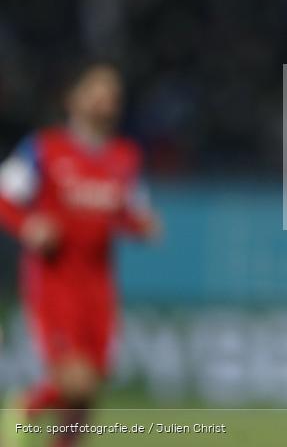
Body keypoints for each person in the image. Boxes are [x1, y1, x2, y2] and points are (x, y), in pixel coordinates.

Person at [0, 61, 159, 447]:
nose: (107, 100)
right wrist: (29, 226)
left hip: (99, 284)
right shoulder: (45, 148)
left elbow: (128, 211)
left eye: (114, 94)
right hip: (55, 280)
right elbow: (5, 197)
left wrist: (142, 226)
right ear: (73, 98)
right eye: (98, 91)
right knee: (76, 379)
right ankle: (23, 410)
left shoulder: (124, 157)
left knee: (86, 395)